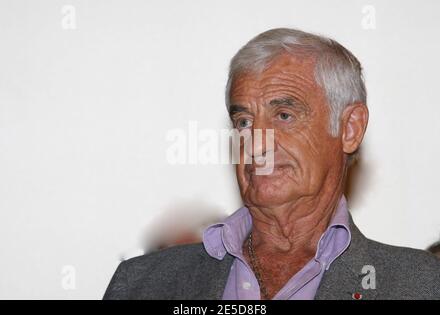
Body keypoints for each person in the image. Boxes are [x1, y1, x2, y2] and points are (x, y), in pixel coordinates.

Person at [103, 28, 440, 300]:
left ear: (349, 129)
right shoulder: (140, 283)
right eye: (244, 122)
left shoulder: (422, 285)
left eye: (284, 115)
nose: (257, 142)